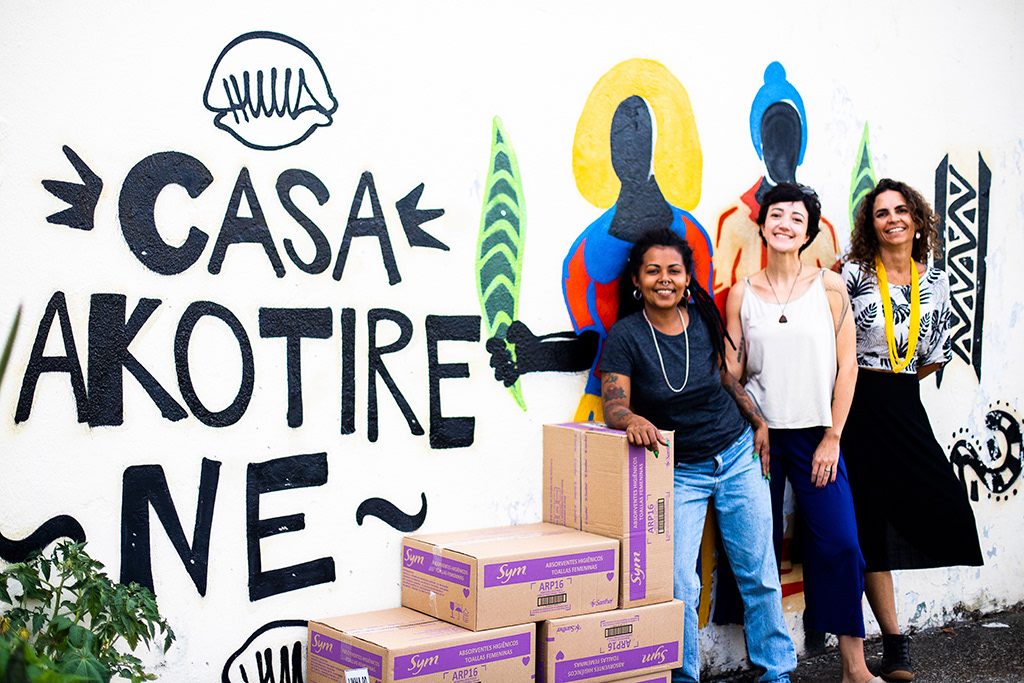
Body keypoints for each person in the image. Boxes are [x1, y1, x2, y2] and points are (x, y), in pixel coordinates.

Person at [600, 226, 796, 683]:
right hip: (679, 470)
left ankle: (777, 671)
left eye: (674, 270)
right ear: (637, 279)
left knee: (759, 571)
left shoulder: (703, 321)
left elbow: (725, 380)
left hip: (737, 453)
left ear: (688, 278)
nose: (664, 279)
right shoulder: (626, 336)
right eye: (653, 271)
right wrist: (633, 420)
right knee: (677, 581)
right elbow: (613, 405)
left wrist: (759, 421)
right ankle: (684, 676)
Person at [724, 182, 879, 683]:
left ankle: (854, 668)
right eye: (776, 214)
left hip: (817, 437)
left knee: (842, 544)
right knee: (758, 550)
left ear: (808, 231)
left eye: (796, 217)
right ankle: (769, 666)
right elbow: (731, 373)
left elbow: (848, 366)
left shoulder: (830, 287)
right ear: (762, 223)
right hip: (761, 440)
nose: (785, 224)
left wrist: (833, 436)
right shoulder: (742, 293)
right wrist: (757, 422)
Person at [841, 178, 983, 681]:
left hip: (902, 400)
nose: (893, 219)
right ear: (871, 225)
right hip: (854, 404)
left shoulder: (937, 282)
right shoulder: (852, 273)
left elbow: (933, 355)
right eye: (881, 213)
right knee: (866, 525)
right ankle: (894, 642)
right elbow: (833, 342)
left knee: (944, 501)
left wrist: (894, 382)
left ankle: (895, 642)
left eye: (901, 210)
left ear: (918, 220)